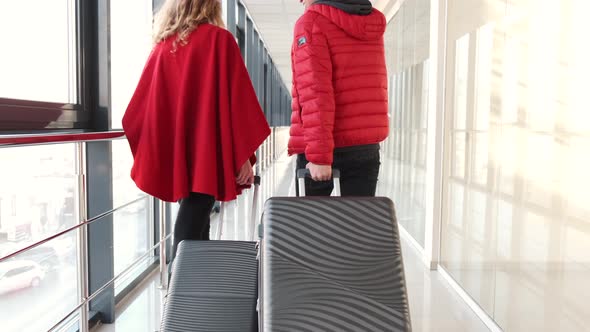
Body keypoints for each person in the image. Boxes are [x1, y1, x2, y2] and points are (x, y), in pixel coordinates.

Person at [122, 0, 271, 261]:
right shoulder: (219, 41)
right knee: (195, 217)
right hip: (206, 151)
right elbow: (237, 104)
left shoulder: (163, 47)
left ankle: (194, 286)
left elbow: (141, 109)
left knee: (198, 219)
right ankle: (179, 291)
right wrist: (243, 157)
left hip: (177, 151)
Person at [289, 0, 388, 197]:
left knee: (309, 226)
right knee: (358, 226)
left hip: (326, 149)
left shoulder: (311, 23)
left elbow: (315, 92)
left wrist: (319, 156)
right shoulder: (369, 24)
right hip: (366, 148)